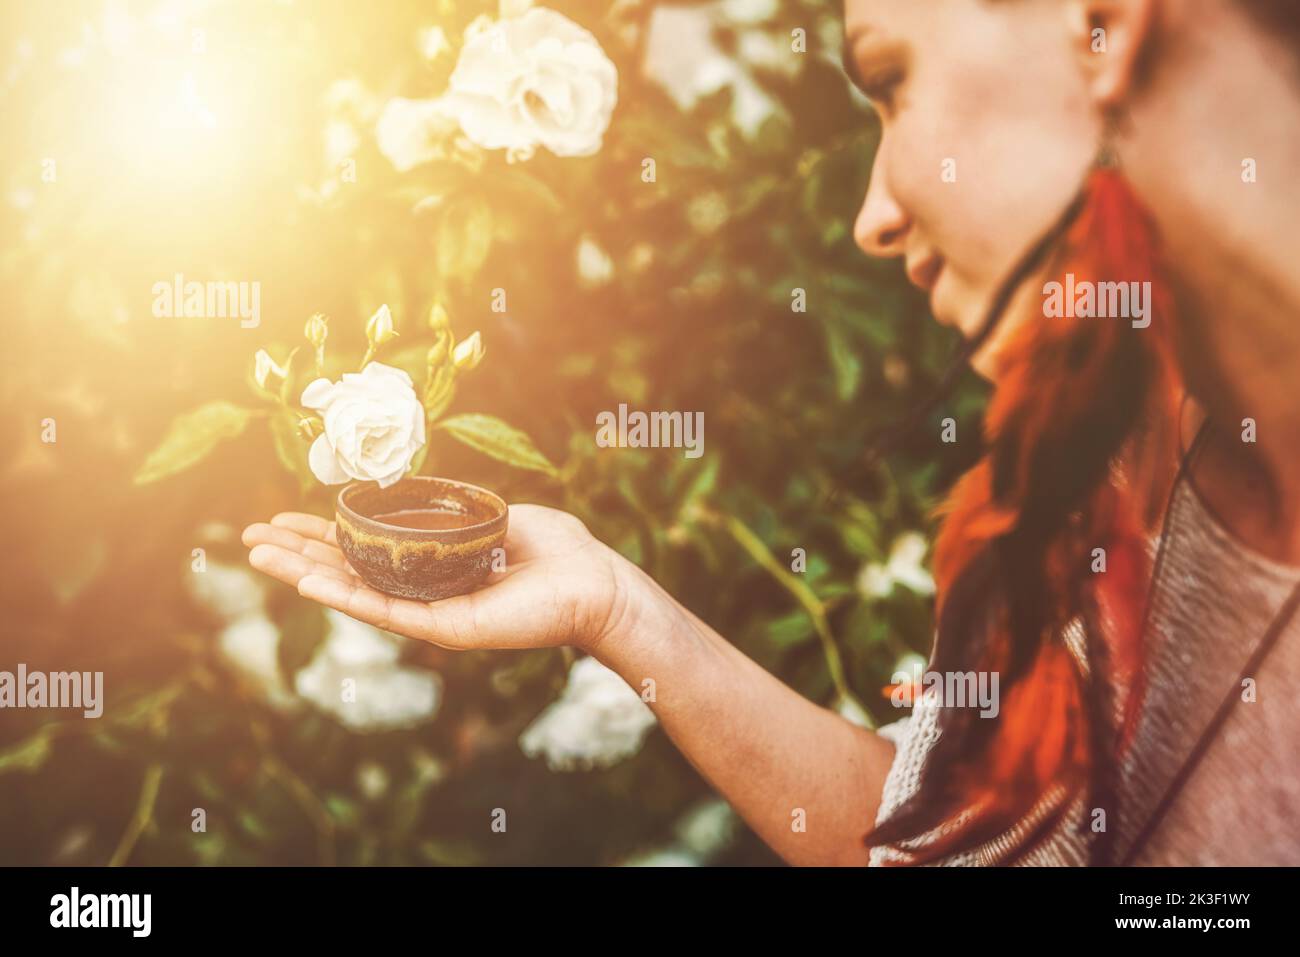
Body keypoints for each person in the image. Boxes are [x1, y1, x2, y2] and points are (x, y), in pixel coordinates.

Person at [242, 0, 1300, 866]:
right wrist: (617, 611)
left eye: (891, 83)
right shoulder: (1103, 475)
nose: (871, 219)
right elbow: (935, 844)